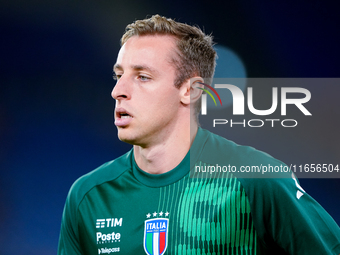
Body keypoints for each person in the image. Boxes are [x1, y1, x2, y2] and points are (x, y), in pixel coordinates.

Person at [58, 14, 340, 255]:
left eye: (142, 76)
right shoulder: (88, 197)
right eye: (118, 75)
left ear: (190, 90)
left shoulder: (254, 179)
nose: (117, 91)